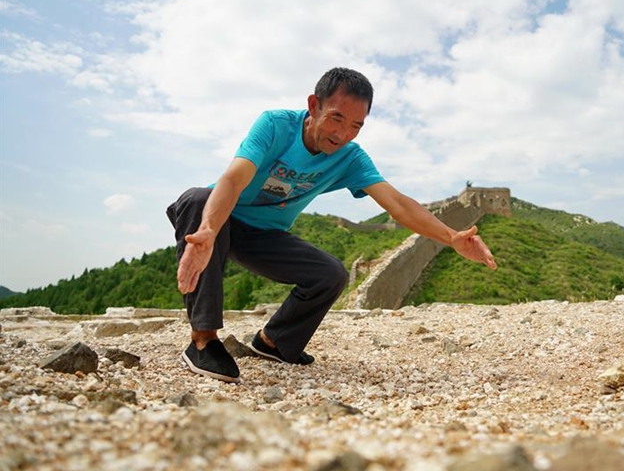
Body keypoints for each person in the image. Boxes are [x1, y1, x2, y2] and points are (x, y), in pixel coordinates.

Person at [166, 67, 497, 383]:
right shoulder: (275, 126)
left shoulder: (350, 157)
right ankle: (203, 342)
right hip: (216, 220)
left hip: (264, 236)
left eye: (356, 125)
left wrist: (452, 237)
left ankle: (273, 343)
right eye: (336, 118)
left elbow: (397, 204)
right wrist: (210, 227)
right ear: (313, 105)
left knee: (330, 273)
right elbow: (234, 179)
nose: (343, 134)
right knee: (197, 198)